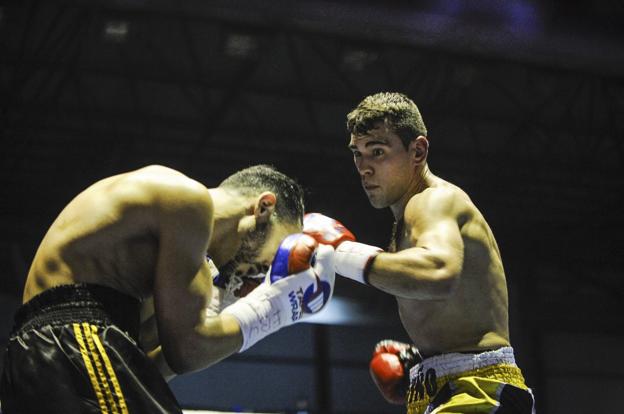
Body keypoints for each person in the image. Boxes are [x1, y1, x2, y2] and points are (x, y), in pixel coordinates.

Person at [0, 164, 335, 413]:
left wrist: (225, 303)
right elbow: (188, 351)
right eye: (272, 255)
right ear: (263, 208)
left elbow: (156, 363)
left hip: (53, 355)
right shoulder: (188, 199)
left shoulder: (189, 265)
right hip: (70, 341)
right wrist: (274, 309)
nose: (262, 272)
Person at [303, 93, 534, 413]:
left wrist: (340, 253)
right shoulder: (410, 216)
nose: (364, 168)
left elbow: (437, 272)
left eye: (378, 152)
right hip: (456, 387)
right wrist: (422, 361)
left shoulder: (432, 201)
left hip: (476, 389)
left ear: (418, 151)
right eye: (358, 153)